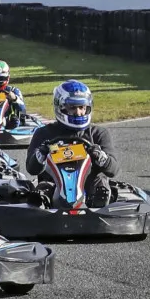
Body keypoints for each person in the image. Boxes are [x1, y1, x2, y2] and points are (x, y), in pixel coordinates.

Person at [26, 80, 118, 208]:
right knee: (44, 188)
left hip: (90, 187)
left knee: (100, 183)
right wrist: (41, 154)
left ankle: (99, 205)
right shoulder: (44, 134)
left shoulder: (98, 134)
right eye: (72, 107)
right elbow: (31, 169)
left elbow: (113, 170)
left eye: (82, 107)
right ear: (60, 107)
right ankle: (43, 203)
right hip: (55, 189)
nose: (78, 112)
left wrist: (100, 157)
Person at [0, 60, 26, 129]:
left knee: (15, 120)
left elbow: (23, 108)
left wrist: (15, 98)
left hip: (9, 123)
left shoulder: (13, 91)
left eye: (1, 78)